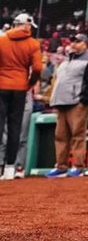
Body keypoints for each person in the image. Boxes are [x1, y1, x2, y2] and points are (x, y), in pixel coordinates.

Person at [45, 33, 88, 178]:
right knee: (60, 136)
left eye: (78, 41)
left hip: (76, 103)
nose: (74, 44)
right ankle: (61, 166)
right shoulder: (65, 61)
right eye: (72, 41)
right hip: (62, 103)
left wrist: (84, 100)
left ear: (85, 44)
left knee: (77, 135)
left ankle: (78, 166)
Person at [0, 12, 42, 181]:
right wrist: (29, 83)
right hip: (19, 87)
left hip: (1, 86)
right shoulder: (32, 43)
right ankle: (10, 167)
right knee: (15, 127)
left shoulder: (2, 40)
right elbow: (38, 68)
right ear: (26, 25)